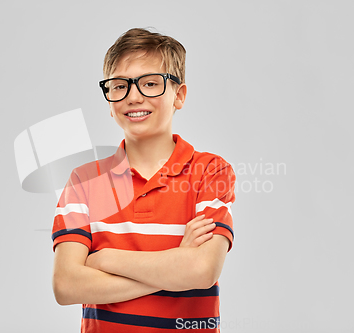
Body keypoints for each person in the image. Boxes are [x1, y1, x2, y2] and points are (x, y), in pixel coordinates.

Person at [51, 27, 236, 332]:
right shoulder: (84, 181)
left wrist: (103, 260)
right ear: (109, 100)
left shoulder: (211, 171)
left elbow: (202, 271)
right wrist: (175, 265)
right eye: (120, 85)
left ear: (179, 95)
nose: (133, 97)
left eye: (151, 83)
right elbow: (66, 285)